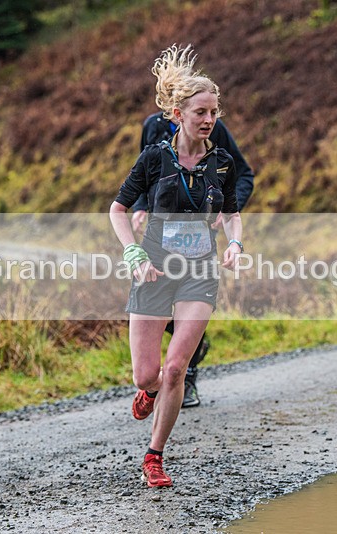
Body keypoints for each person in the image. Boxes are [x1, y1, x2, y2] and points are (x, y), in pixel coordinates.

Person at [109, 44, 243, 487]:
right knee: (148, 374)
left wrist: (235, 243)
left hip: (200, 274)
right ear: (177, 113)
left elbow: (230, 212)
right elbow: (117, 209)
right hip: (154, 272)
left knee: (175, 368)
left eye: (214, 112)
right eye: (201, 112)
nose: (209, 120)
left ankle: (154, 455)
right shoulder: (153, 158)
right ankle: (147, 392)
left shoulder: (220, 165)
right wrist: (133, 253)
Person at [131, 106, 255, 409]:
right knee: (160, 314)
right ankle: (159, 377)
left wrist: (222, 210)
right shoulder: (152, 127)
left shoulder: (212, 128)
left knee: (191, 310)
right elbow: (142, 176)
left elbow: (244, 175)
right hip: (160, 242)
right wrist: (140, 206)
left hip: (200, 240)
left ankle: (187, 376)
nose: (206, 117)